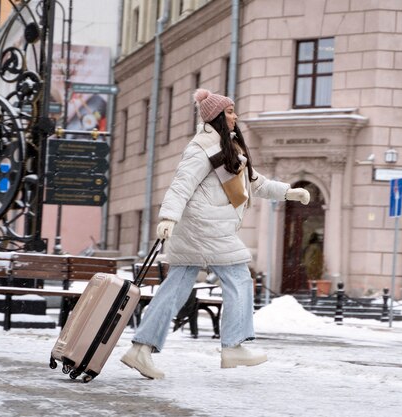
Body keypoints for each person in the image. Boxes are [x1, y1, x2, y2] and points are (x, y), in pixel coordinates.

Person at [120, 88, 310, 379]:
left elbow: (253, 184)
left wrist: (288, 192)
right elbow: (182, 182)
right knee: (238, 278)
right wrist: (168, 216)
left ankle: (140, 349)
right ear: (218, 117)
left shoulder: (226, 146)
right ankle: (233, 345)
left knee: (175, 290)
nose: (236, 116)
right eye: (230, 112)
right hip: (204, 226)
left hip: (202, 228)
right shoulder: (203, 146)